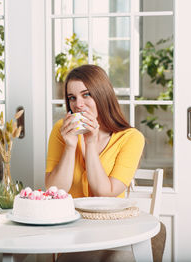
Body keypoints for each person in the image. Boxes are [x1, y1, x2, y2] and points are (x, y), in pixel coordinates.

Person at [46, 64, 145, 199]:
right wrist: (70, 147)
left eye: (86, 95)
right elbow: (54, 190)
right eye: (72, 98)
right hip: (69, 217)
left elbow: (106, 193)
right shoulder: (62, 129)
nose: (78, 104)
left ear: (103, 95)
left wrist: (90, 143)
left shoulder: (131, 138)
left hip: (108, 219)